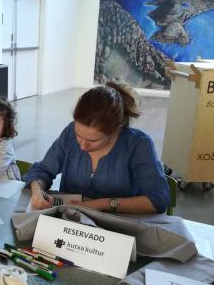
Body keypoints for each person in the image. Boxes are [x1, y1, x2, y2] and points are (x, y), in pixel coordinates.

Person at [25, 81, 170, 214]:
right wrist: (37, 190)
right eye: (78, 135)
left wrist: (102, 204)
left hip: (118, 223)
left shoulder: (138, 144)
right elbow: (43, 170)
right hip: (70, 220)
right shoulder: (69, 133)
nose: (83, 146)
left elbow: (158, 199)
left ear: (115, 130)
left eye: (93, 140)